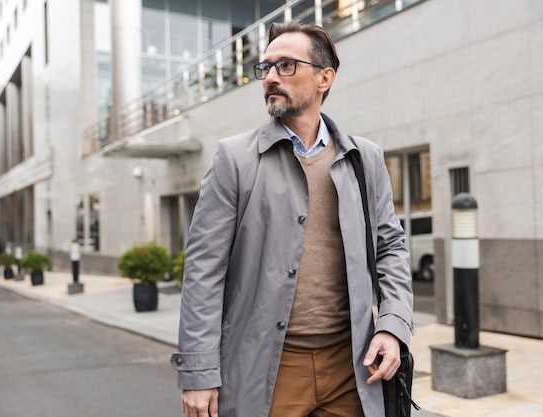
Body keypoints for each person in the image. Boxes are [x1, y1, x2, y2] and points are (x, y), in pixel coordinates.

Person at [171, 19, 414, 417]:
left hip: (352, 368)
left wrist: (392, 324)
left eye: (285, 66)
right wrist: (198, 373)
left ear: (324, 77)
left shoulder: (364, 158)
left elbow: (391, 249)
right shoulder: (234, 159)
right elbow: (203, 272)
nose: (270, 77)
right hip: (268, 368)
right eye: (265, 67)